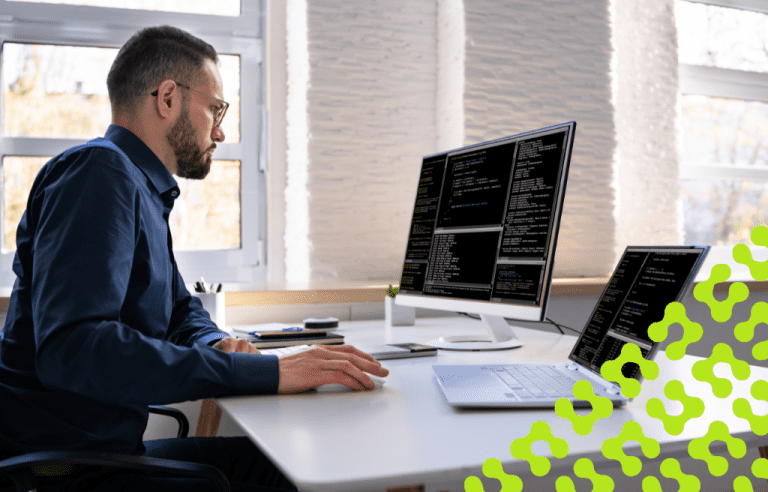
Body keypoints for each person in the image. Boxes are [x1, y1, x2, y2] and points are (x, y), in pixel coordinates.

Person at [0, 25, 388, 491]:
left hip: (99, 455)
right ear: (167, 98)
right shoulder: (98, 174)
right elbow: (75, 349)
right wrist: (264, 371)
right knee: (301, 474)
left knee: (289, 461)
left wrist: (215, 342)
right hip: (65, 473)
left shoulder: (139, 187)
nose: (220, 131)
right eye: (215, 109)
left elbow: (180, 309)